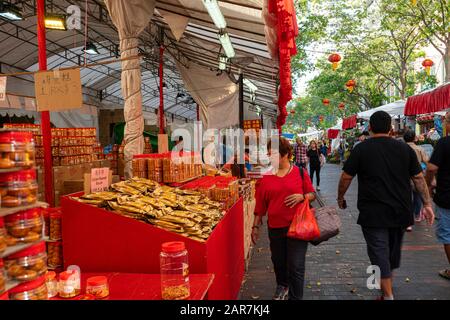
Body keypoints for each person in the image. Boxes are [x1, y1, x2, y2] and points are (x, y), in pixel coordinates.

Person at [337, 111, 434, 300]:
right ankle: (384, 291)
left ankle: (388, 295)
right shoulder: (404, 149)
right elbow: (418, 178)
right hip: (401, 211)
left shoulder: (361, 149)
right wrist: (427, 203)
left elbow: (346, 177)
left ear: (370, 128)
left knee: (378, 253)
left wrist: (340, 197)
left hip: (373, 213)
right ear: (391, 128)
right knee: (390, 253)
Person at [252, 137, 316, 300]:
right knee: (279, 262)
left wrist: (302, 197)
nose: (271, 158)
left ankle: (295, 297)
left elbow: (312, 194)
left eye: (274, 154)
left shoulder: (300, 173)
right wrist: (255, 227)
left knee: (296, 266)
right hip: (275, 227)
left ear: (286, 154)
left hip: (298, 227)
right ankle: (282, 285)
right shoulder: (265, 178)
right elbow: (260, 207)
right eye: (269, 154)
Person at [426, 111, 450, 281]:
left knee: (448, 235)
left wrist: (428, 183)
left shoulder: (444, 143)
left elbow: (431, 168)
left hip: (447, 197)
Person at [404, 129, 429, 231]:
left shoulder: (401, 148)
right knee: (417, 197)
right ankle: (417, 216)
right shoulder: (419, 149)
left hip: (403, 177)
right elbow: (427, 161)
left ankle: (408, 221)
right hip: (417, 176)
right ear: (414, 138)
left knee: (406, 198)